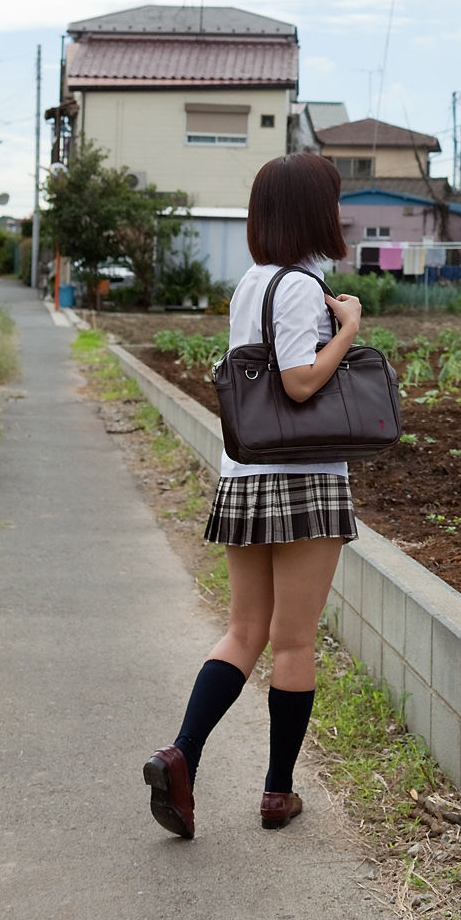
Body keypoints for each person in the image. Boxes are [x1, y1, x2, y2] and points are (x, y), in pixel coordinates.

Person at [143, 151, 362, 839]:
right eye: (332, 201)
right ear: (311, 212)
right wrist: (350, 329)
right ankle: (276, 793)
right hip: (303, 481)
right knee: (293, 642)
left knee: (244, 631)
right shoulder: (302, 288)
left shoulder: (251, 283)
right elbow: (300, 383)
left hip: (245, 479)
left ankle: (182, 754)